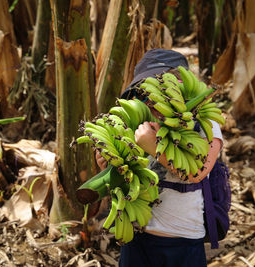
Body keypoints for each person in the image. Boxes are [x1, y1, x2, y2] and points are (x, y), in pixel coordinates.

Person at [95, 48, 224, 267]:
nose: (154, 99)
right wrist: (109, 166)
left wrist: (154, 147)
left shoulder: (206, 126)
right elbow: (130, 177)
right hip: (138, 235)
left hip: (184, 238)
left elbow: (198, 173)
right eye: (145, 92)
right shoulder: (137, 125)